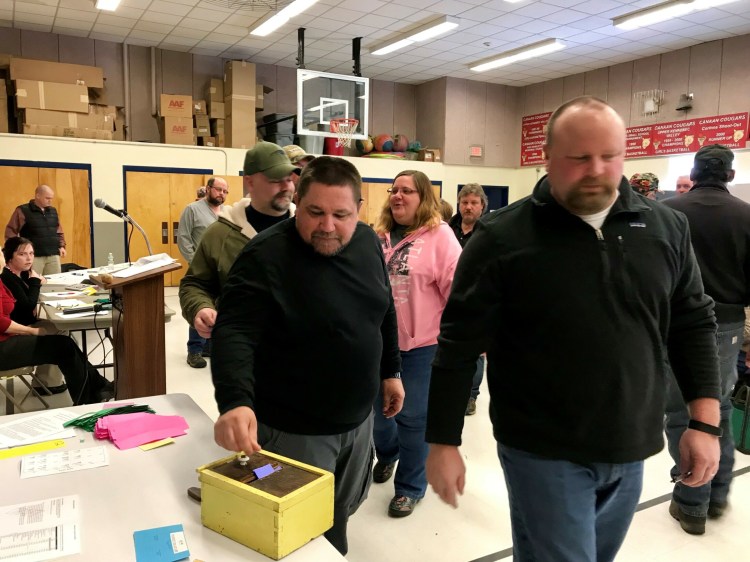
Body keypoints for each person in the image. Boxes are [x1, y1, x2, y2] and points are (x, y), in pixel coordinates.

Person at [425, 96, 721, 562]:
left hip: (630, 444)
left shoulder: (666, 228)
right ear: (546, 158)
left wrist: (704, 422)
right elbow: (458, 344)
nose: (596, 169)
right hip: (542, 449)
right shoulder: (502, 237)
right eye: (579, 157)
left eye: (610, 156)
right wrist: (443, 440)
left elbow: (692, 322)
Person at [210, 156, 404, 556]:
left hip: (358, 422)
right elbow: (235, 331)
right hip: (293, 431)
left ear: (360, 209)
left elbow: (383, 309)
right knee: (296, 533)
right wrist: (235, 400)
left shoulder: (367, 241)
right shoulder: (266, 255)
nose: (327, 226)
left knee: (339, 516)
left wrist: (391, 371)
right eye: (315, 212)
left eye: (341, 214)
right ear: (298, 200)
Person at [661, 144, 750, 534]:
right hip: (728, 328)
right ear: (730, 175)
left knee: (684, 413)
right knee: (721, 411)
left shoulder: (669, 213)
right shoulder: (747, 216)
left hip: (677, 326)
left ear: (693, 175)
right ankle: (716, 495)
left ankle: (691, 503)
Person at [371, 170, 461, 518]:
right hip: (378, 345)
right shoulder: (376, 236)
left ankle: (410, 487)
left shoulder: (441, 238)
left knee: (412, 418)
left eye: (407, 191)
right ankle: (388, 454)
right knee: (379, 416)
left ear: (424, 197)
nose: (398, 196)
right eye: (394, 190)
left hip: (422, 347)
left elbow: (458, 291)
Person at [179, 142, 296, 341]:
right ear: (250, 182)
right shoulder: (220, 233)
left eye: (289, 179)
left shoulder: (306, 229)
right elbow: (194, 283)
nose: (286, 187)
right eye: (276, 179)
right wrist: (201, 307)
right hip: (240, 346)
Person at [0, 249, 113, 406]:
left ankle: (98, 388)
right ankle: (87, 400)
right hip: (3, 348)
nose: (3, 257)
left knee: (66, 345)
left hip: (6, 340)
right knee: (64, 347)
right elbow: (2, 323)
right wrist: (33, 331)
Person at [1, 236, 67, 394]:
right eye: (22, 254)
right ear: (9, 257)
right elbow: (27, 304)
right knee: (58, 332)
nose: (29, 258)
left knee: (59, 329)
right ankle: (47, 383)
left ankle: (49, 381)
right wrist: (35, 282)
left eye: (31, 253)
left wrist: (35, 280)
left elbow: (29, 293)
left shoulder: (20, 273)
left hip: (22, 324)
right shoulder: (8, 277)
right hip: (17, 327)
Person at [177, 177, 228, 368]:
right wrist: (195, 263)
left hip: (222, 270)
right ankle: (195, 350)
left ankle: (210, 346)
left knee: (218, 309)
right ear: (208, 189)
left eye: (225, 191)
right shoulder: (193, 209)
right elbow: (183, 238)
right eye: (218, 190)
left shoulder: (227, 213)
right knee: (200, 307)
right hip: (201, 270)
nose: (221, 194)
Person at [448, 183, 489, 416]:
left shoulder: (490, 231)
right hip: (447, 296)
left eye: (474, 203)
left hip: (478, 298)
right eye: (465, 202)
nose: (468, 207)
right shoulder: (446, 229)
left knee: (476, 351)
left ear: (482, 206)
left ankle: (471, 396)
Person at [5, 185, 66, 275]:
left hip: (53, 255)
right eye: (47, 198)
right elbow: (11, 231)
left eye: (51, 198)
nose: (50, 201)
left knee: (55, 282)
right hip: (33, 256)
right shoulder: (22, 210)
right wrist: (15, 251)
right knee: (33, 281)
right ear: (38, 196)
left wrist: (62, 246)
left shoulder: (53, 211)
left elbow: (58, 230)